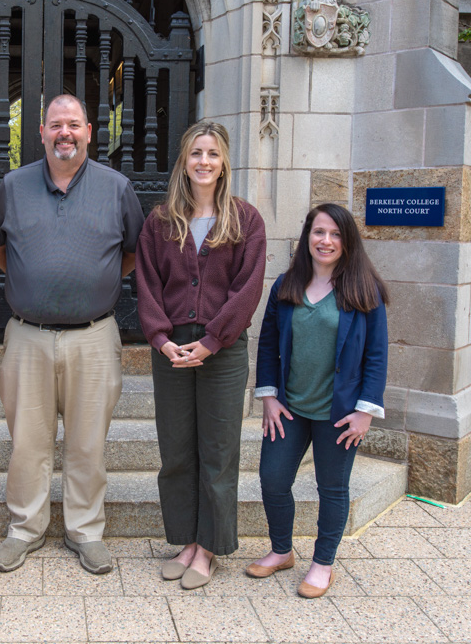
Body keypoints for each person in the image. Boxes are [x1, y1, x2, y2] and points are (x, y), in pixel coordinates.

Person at [0, 94, 145, 574]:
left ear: (90, 131)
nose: (65, 134)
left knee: (87, 442)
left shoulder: (117, 188)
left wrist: (87, 283)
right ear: (41, 132)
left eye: (74, 124)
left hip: (94, 337)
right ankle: (24, 529)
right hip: (27, 337)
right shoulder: (12, 186)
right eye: (56, 125)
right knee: (28, 443)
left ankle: (86, 531)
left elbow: (133, 254)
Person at [135, 121, 266, 590]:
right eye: (196, 153)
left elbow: (247, 290)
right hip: (171, 346)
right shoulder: (160, 221)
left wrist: (211, 341)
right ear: (184, 162)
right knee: (176, 449)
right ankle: (186, 540)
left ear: (224, 160)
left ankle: (208, 548)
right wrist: (161, 338)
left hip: (222, 350)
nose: (204, 162)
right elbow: (147, 284)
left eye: (212, 153)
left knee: (217, 451)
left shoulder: (246, 220)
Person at [247, 203, 389, 598]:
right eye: (319, 232)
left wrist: (365, 410)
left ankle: (323, 563)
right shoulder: (286, 285)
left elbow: (377, 355)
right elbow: (270, 343)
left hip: (339, 414)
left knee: (332, 487)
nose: (326, 241)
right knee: (273, 479)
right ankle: (281, 551)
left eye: (336, 234)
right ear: (307, 236)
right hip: (289, 408)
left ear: (347, 242)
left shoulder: (364, 290)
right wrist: (268, 397)